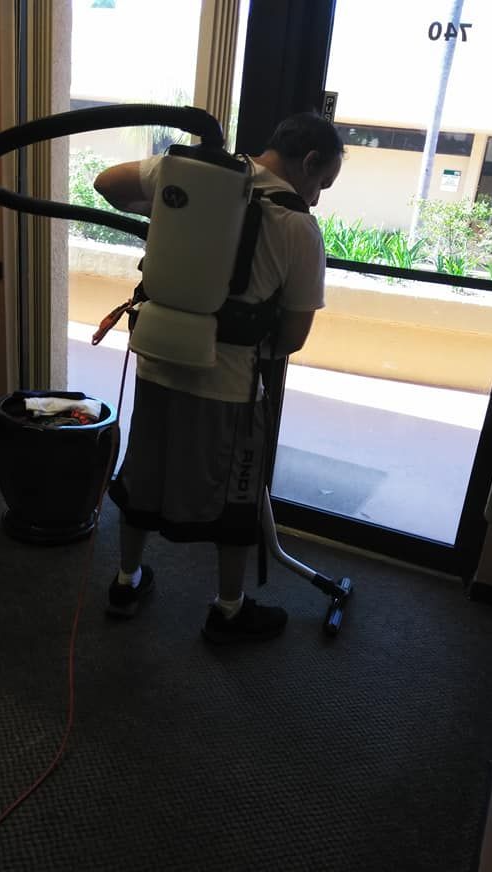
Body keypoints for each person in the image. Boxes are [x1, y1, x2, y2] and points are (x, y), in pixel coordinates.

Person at [94, 111, 343, 643]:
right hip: (228, 381)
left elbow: (106, 185)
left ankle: (125, 581)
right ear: (310, 161)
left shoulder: (186, 173)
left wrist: (168, 197)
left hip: (158, 358)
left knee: (144, 471)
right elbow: (293, 337)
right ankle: (229, 610)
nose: (318, 197)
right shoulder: (298, 225)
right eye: (322, 183)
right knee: (237, 496)